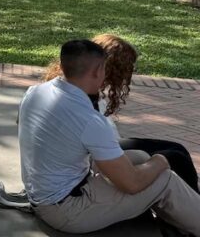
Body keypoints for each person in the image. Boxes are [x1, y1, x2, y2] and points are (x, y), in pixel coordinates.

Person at [19, 39, 200, 235]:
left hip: (48, 193)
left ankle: (180, 221)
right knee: (164, 179)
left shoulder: (35, 92)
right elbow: (132, 184)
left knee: (140, 157)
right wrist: (162, 160)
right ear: (98, 71)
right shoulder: (89, 120)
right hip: (67, 211)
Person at [42, 34, 199, 193]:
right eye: (127, 68)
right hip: (93, 153)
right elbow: (97, 139)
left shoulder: (62, 84)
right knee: (175, 157)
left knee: (177, 150)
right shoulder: (85, 96)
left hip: (96, 145)